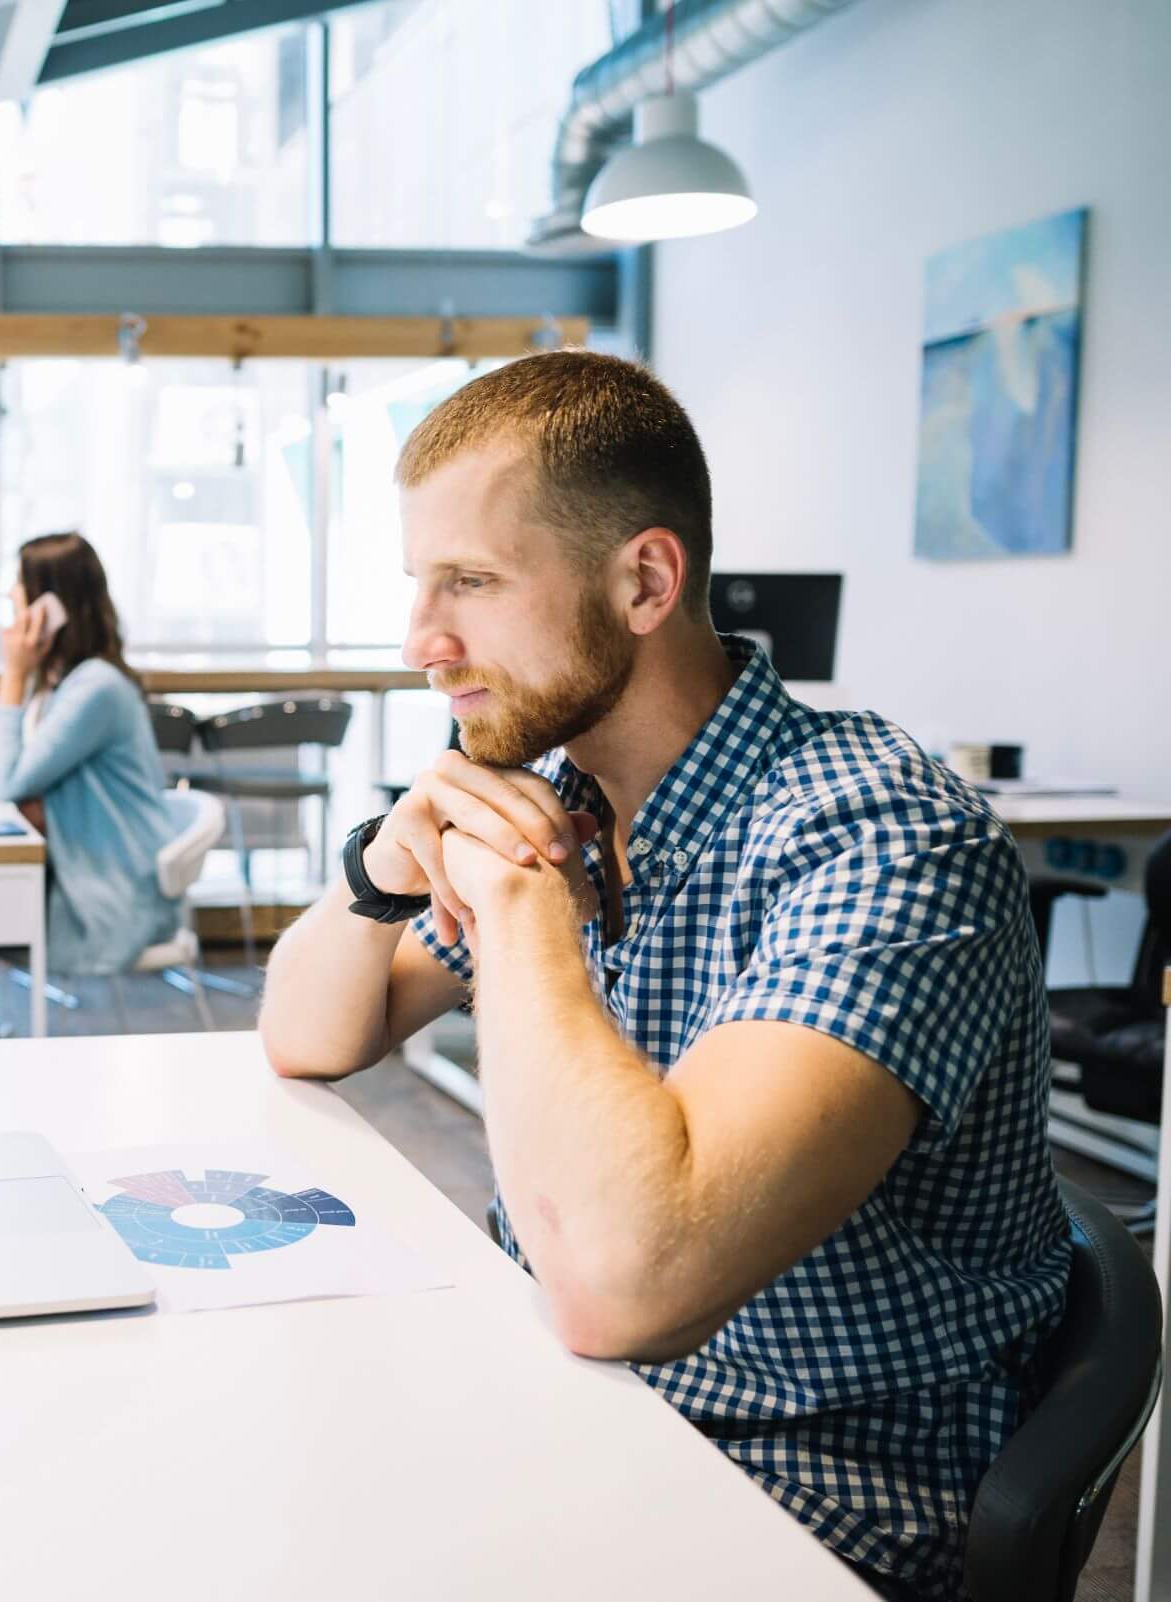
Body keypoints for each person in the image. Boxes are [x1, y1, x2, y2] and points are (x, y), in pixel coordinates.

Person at [258, 351, 1065, 1602]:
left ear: (644, 580)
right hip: (570, 1411)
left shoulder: (885, 838)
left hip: (811, 1490)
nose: (423, 642)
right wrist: (384, 865)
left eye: (470, 581)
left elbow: (625, 1286)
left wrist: (516, 894)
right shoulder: (573, 797)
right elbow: (308, 1032)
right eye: (420, 586)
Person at [0, 533, 179, 976]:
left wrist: (13, 673)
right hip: (73, 873)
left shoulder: (95, 688)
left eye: (20, 583)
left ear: (52, 605)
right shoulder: (60, 685)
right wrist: (25, 681)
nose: (11, 595)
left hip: (111, 893)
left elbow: (7, 782)